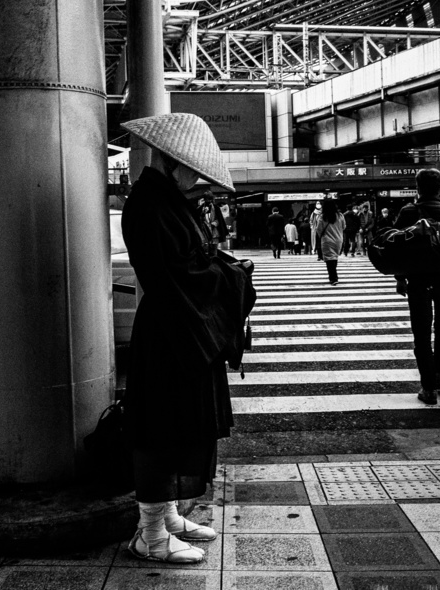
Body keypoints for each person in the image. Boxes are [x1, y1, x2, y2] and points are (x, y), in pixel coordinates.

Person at [120, 113, 257, 565]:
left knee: (182, 427)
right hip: (170, 335)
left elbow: (197, 261)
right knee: (162, 429)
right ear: (171, 161)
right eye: (193, 171)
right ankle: (150, 533)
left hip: (182, 331)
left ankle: (168, 517)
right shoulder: (149, 206)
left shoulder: (171, 201)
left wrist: (223, 267)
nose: (199, 181)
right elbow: (178, 276)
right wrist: (231, 276)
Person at [392, 169, 440, 405]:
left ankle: (428, 388)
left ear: (418, 187)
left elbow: (398, 247)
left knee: (421, 332)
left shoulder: (408, 212)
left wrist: (400, 278)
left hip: (418, 279)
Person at [316, 199, 346, 285]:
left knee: (329, 260)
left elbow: (319, 230)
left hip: (327, 240)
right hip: (338, 240)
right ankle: (333, 276)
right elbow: (344, 227)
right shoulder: (340, 216)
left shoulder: (322, 217)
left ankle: (333, 278)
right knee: (334, 257)